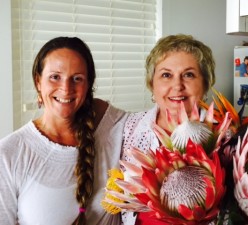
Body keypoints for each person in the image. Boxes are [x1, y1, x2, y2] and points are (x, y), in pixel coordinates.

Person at [0, 37, 127, 225]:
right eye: (55, 77)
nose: (66, 89)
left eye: (77, 79)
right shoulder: (10, 152)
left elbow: (161, 120)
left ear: (88, 85)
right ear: (38, 81)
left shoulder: (111, 126)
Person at [121, 34, 215, 225]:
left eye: (189, 74)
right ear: (151, 84)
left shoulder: (225, 136)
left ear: (205, 84)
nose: (177, 86)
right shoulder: (129, 127)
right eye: (166, 75)